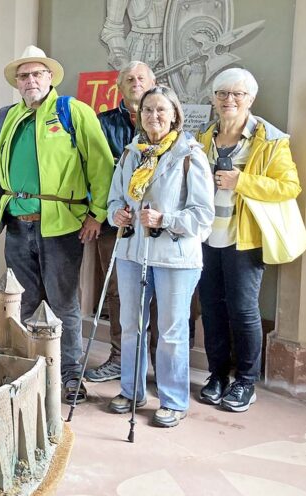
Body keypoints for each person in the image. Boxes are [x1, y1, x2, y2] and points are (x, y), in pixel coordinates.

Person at [0, 46, 113, 403]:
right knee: (24, 301)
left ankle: (71, 374)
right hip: (18, 225)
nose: (30, 80)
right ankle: (28, 369)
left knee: (63, 303)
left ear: (49, 77)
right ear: (17, 82)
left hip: (60, 227)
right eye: (23, 76)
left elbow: (101, 164)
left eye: (37, 74)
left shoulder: (72, 111)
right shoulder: (9, 117)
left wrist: (97, 213)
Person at [106, 85, 214, 428]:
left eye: (161, 110)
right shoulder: (131, 154)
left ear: (174, 115)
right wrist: (116, 215)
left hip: (175, 258)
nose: (154, 116)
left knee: (170, 331)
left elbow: (203, 217)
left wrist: (164, 219)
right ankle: (131, 391)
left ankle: (173, 400)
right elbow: (114, 199)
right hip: (132, 252)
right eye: (148, 110)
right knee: (131, 326)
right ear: (139, 115)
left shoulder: (189, 155)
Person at [196, 68, 302, 412]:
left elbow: (289, 187)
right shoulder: (202, 136)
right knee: (211, 308)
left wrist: (241, 181)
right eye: (222, 93)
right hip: (204, 238)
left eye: (237, 94)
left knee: (243, 311)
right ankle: (217, 375)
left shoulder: (271, 139)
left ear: (250, 99)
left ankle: (245, 381)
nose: (229, 100)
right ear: (213, 98)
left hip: (245, 240)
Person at [86, 61, 156, 382]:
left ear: (152, 82)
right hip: (115, 223)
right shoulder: (102, 124)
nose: (135, 82)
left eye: (141, 78)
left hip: (156, 225)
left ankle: (156, 365)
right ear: (119, 86)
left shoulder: (166, 119)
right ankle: (119, 358)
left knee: (158, 293)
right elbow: (94, 171)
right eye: (129, 78)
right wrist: (99, 213)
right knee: (116, 290)